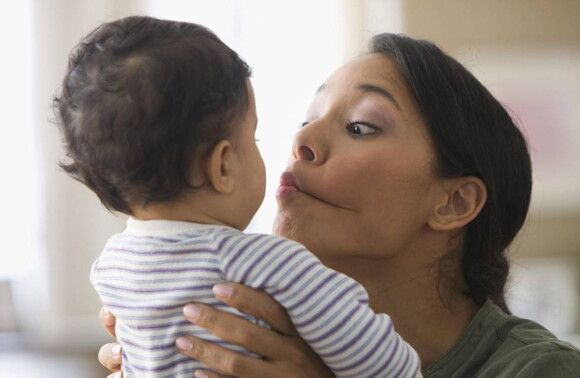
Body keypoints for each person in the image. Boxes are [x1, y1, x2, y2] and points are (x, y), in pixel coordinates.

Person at [94, 31, 580, 378]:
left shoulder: (539, 368)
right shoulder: (247, 340)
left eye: (360, 127)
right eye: (306, 119)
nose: (301, 139)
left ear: (454, 202)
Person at [54, 16, 422, 378]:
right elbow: (386, 364)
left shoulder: (110, 269)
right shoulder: (263, 262)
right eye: (254, 138)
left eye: (359, 127)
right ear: (223, 165)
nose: (299, 142)